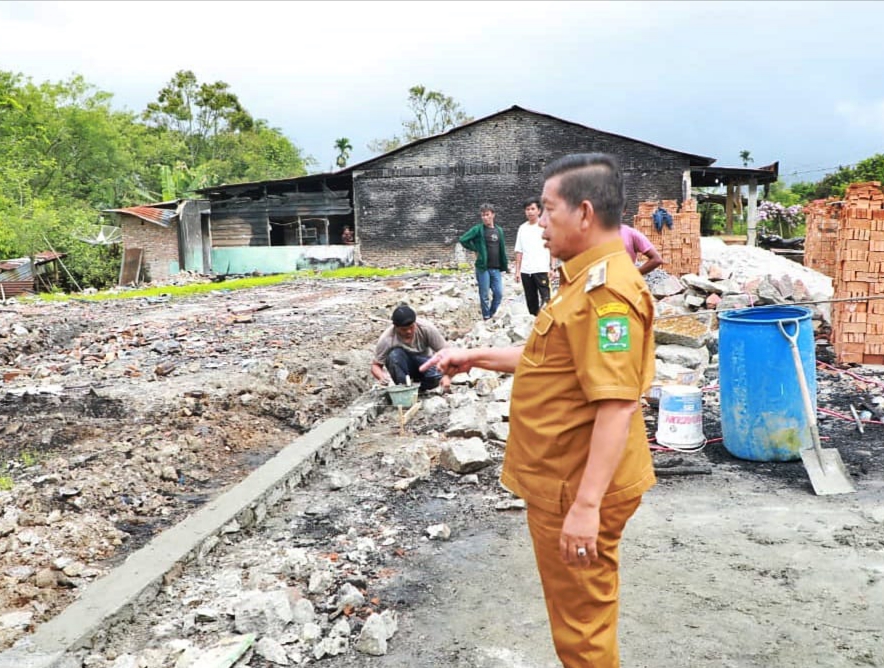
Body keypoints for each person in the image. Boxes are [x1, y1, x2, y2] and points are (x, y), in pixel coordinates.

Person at [421, 153, 656, 667]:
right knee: (576, 614)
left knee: (582, 629)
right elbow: (548, 360)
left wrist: (587, 507)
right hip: (562, 479)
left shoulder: (607, 294)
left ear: (585, 213)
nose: (540, 224)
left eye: (548, 211)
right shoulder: (583, 279)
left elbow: (617, 404)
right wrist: (474, 356)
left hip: (574, 484)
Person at [371, 304, 450, 393]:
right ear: (396, 327)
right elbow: (376, 365)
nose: (409, 331)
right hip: (404, 367)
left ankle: (419, 389)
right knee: (394, 355)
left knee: (436, 375)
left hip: (425, 364)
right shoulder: (387, 339)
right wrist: (382, 377)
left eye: (411, 327)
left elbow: (446, 352)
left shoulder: (426, 328)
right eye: (404, 329)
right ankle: (405, 389)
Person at [459, 203, 508, 320]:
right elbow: (463, 239)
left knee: (499, 294)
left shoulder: (499, 230)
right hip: (483, 268)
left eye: (487, 215)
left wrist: (505, 265)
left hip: (496, 268)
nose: (485, 217)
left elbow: (502, 249)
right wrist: (475, 249)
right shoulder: (478, 229)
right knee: (484, 294)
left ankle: (492, 313)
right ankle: (486, 317)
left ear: (493, 215)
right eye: (483, 215)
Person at [514, 196, 554, 315]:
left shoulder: (545, 226)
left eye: (532, 209)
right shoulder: (522, 228)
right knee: (531, 302)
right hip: (526, 271)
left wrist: (552, 267)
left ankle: (548, 327)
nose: (530, 212)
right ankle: (534, 326)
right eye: (527, 209)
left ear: (539, 211)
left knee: (546, 300)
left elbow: (552, 247)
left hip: (541, 269)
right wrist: (517, 271)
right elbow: (519, 251)